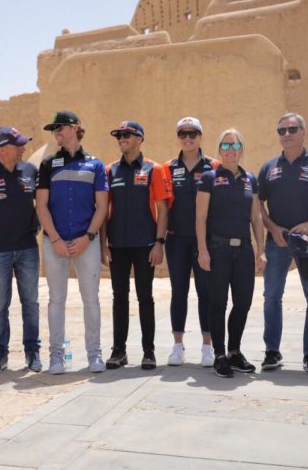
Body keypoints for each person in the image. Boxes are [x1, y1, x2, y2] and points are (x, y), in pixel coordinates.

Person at [257, 113, 308, 373]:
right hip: (277, 243)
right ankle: (272, 352)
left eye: (292, 129)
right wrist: (273, 228)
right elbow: (258, 205)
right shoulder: (268, 168)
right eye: (281, 131)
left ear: (303, 132)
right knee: (271, 298)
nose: (287, 135)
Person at [36, 110, 109, 375]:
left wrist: (87, 237)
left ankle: (94, 355)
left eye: (60, 127)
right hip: (54, 242)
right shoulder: (48, 164)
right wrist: (55, 239)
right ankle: (57, 357)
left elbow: (102, 207)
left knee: (91, 299)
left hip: (86, 242)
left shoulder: (95, 165)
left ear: (76, 128)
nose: (56, 132)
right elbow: (41, 205)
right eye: (54, 129)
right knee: (56, 300)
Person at [101, 121, 172, 370]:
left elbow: (163, 210)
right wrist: (103, 245)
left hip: (146, 245)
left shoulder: (154, 169)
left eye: (126, 135)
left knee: (145, 297)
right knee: (119, 298)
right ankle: (118, 351)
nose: (121, 138)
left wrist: (159, 243)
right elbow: (103, 210)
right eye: (118, 135)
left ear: (140, 138)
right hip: (117, 246)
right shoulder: (110, 170)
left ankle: (148, 351)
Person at [196, 128, 266, 377]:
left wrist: (261, 251)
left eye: (235, 145)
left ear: (241, 149)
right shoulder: (209, 177)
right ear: (219, 150)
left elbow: (256, 218)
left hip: (244, 250)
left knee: (243, 302)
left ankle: (234, 352)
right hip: (218, 249)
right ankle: (219, 354)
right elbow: (201, 217)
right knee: (218, 302)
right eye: (225, 146)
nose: (230, 151)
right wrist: (202, 250)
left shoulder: (250, 179)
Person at [0, 126, 42, 375]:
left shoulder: (30, 170)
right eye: (18, 145)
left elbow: (40, 202)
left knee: (30, 302)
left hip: (27, 248)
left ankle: (32, 351)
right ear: (2, 149)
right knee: (0, 305)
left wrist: (36, 224)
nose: (23, 148)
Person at [164, 117, 220, 367]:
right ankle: (178, 346)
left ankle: (207, 346)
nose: (187, 138)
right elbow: (163, 206)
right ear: (178, 137)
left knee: (205, 291)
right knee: (179, 291)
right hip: (176, 239)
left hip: (204, 242)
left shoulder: (213, 166)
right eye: (183, 134)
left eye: (192, 134)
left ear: (200, 136)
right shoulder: (168, 168)